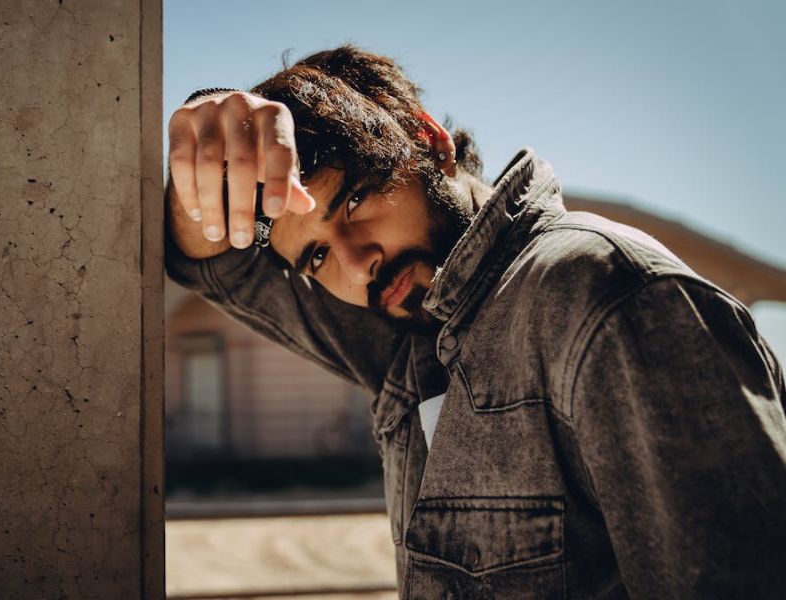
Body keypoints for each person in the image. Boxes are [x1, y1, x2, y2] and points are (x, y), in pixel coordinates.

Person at [164, 45, 786, 598]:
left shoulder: (605, 295)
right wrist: (214, 130)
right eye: (318, 255)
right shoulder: (404, 338)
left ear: (428, 139)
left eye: (354, 201)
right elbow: (215, 262)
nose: (357, 268)